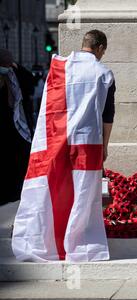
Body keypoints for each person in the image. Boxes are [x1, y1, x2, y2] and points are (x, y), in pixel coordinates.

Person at [12, 30, 116, 262]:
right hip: (87, 142)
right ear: (100, 48)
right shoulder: (103, 73)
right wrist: (105, 146)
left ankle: (45, 241)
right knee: (83, 194)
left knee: (54, 188)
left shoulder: (59, 68)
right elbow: (108, 115)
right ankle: (80, 244)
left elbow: (48, 109)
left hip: (55, 140)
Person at [0, 49, 35, 205]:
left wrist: (17, 66)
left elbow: (31, 82)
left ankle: (19, 188)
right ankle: (9, 191)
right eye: (6, 62)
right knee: (8, 159)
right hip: (5, 126)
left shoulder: (15, 73)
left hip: (19, 122)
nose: (9, 64)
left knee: (23, 154)